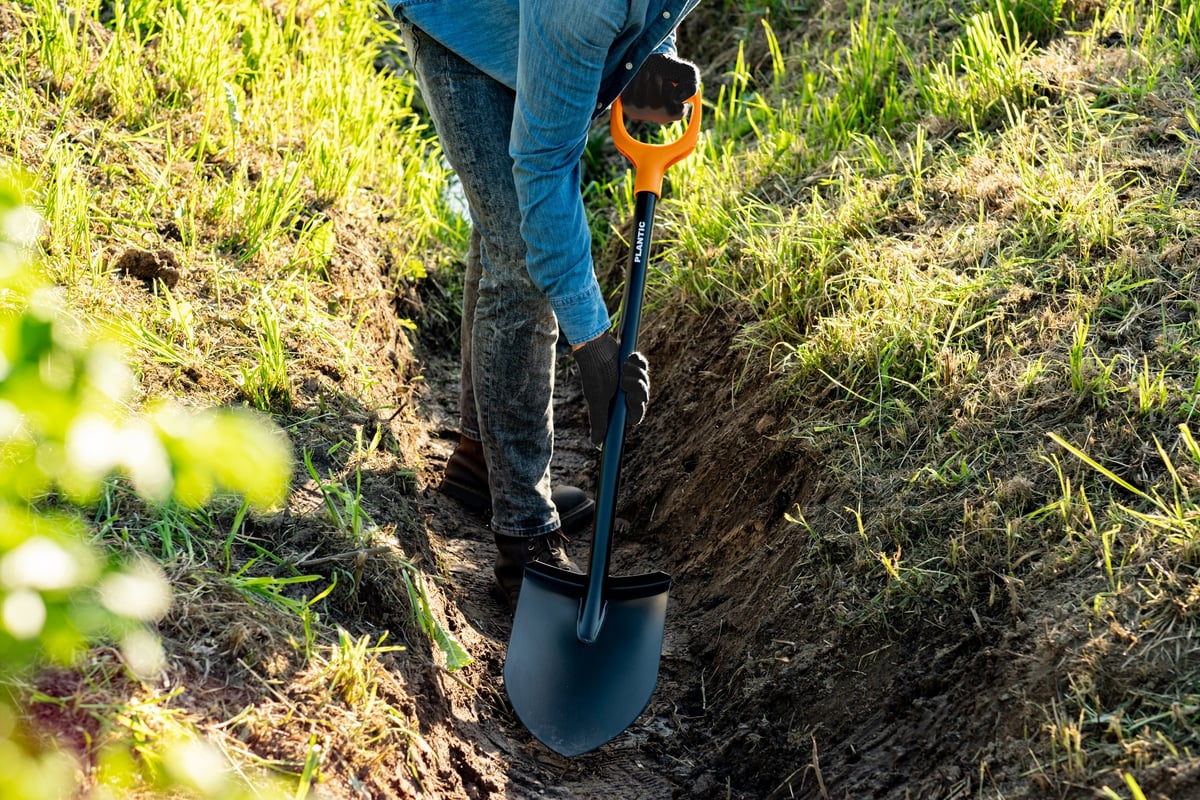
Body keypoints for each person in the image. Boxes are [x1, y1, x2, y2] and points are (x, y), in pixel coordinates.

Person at [386, 0, 701, 611]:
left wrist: (650, 53)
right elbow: (543, 167)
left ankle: (482, 463)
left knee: (507, 232)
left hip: (541, 21)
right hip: (462, 27)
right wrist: (593, 344)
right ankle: (524, 537)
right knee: (521, 256)